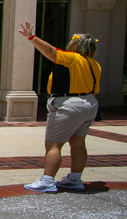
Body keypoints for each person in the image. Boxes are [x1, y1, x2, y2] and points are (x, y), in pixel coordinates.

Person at [19, 21, 101, 193]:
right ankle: (75, 179)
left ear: (75, 45)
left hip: (70, 104)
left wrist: (31, 38)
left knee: (53, 144)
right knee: (78, 144)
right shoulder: (94, 64)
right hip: (89, 104)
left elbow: (50, 51)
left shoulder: (72, 59)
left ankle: (48, 180)